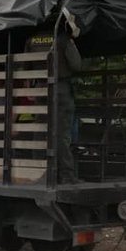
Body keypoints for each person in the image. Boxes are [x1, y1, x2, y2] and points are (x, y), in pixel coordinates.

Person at [54, 18, 84, 185]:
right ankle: (66, 175)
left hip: (41, 92)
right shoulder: (65, 41)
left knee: (43, 133)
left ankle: (43, 173)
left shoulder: (34, 39)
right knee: (63, 135)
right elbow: (76, 64)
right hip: (62, 90)